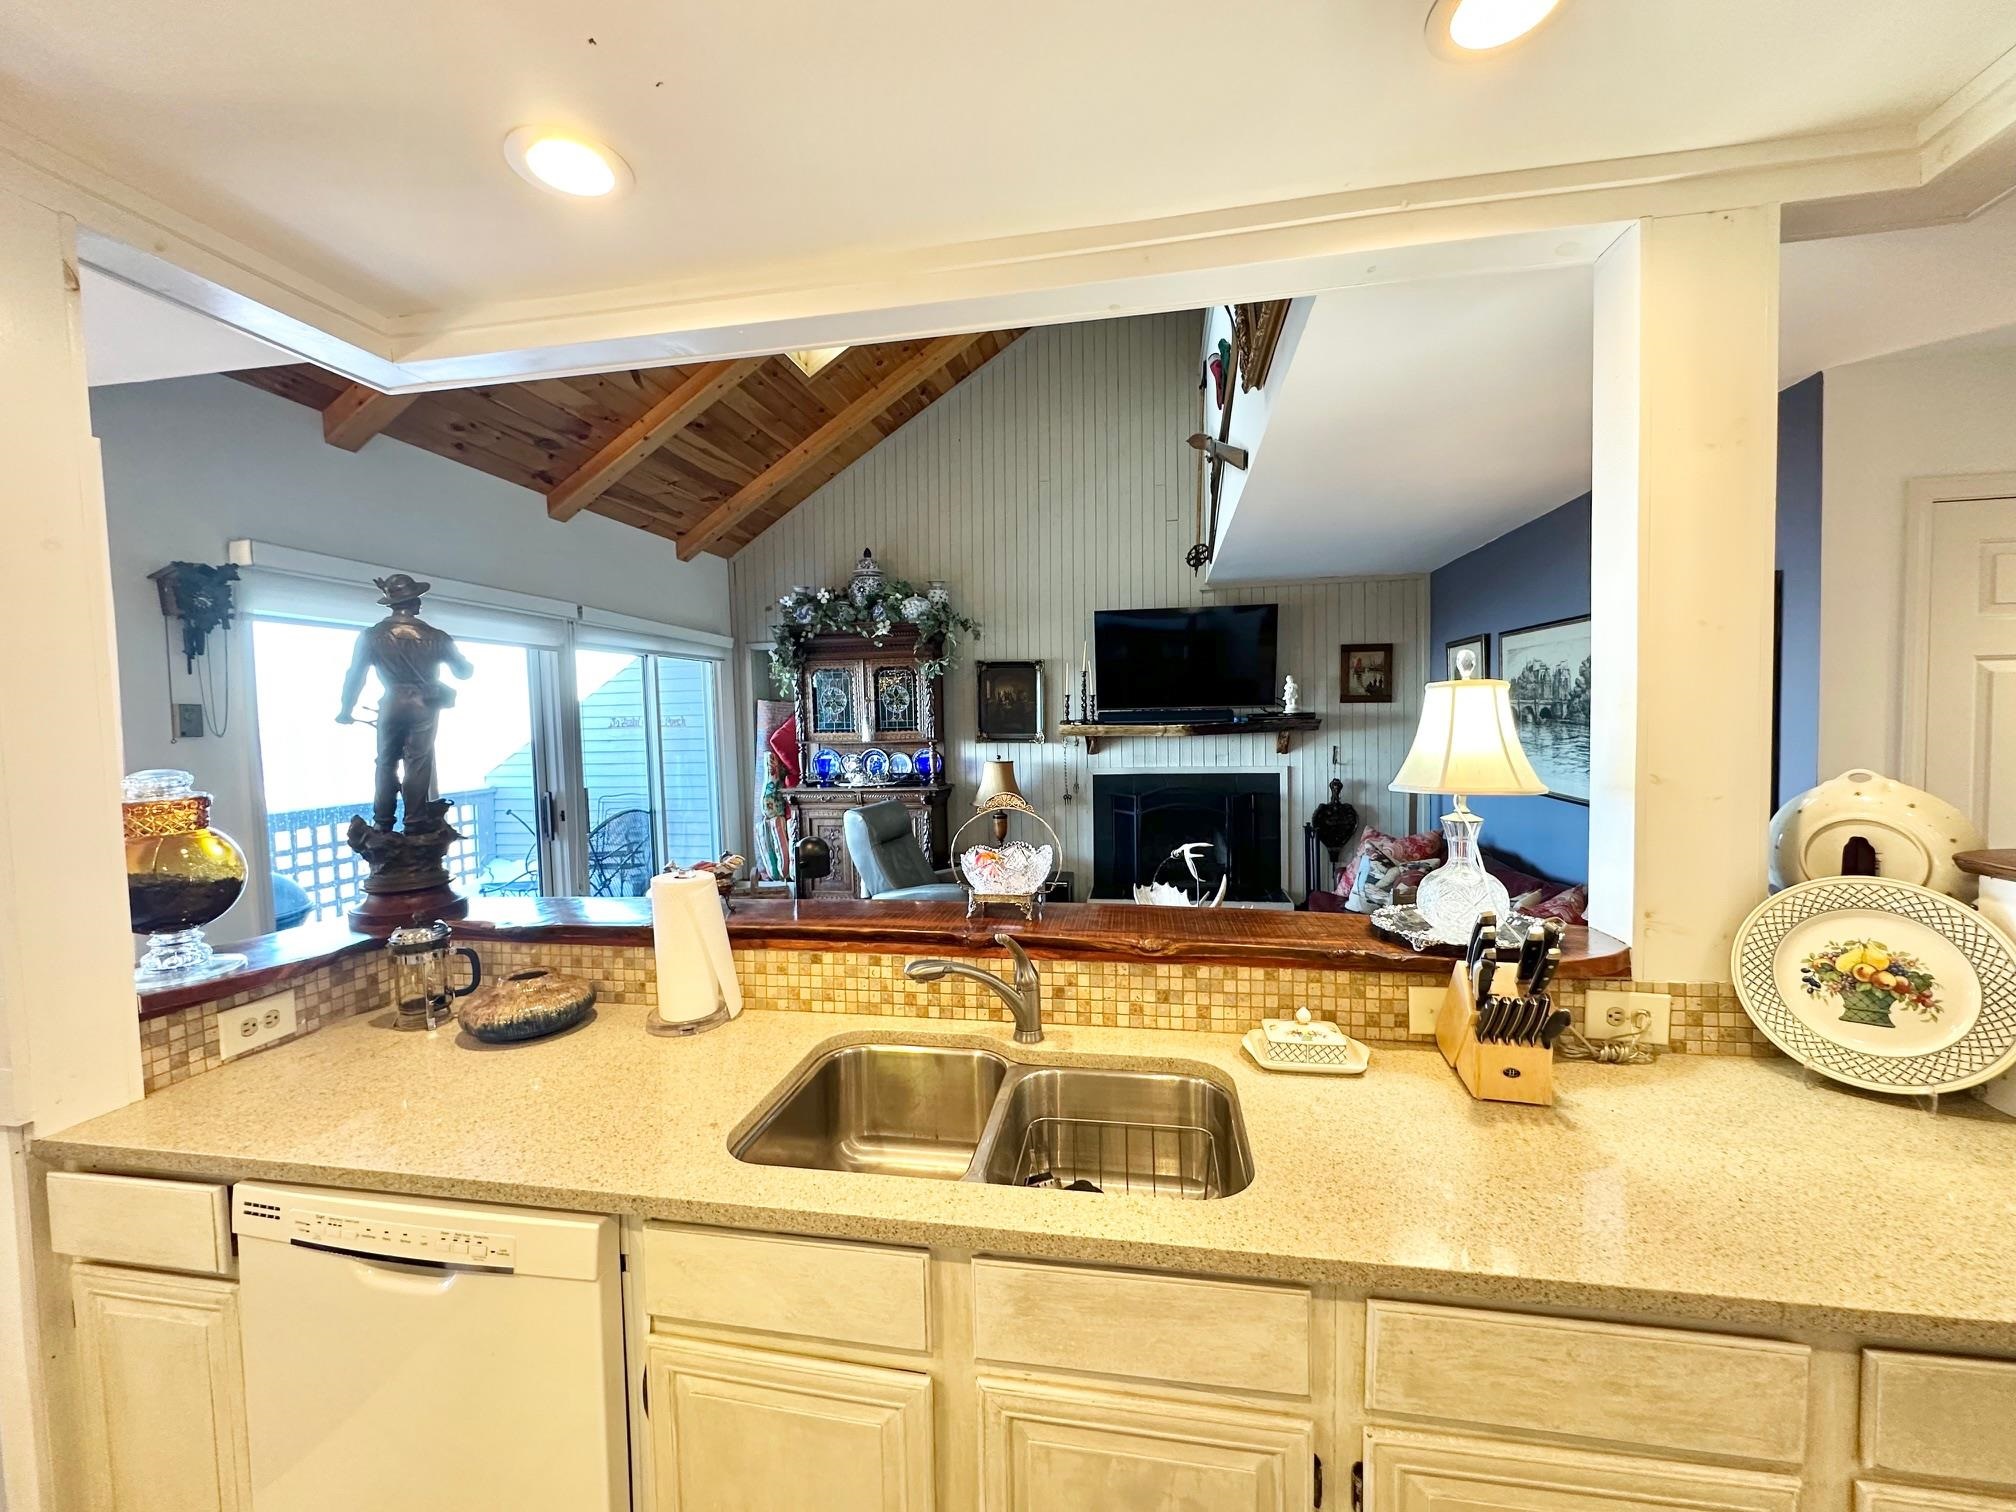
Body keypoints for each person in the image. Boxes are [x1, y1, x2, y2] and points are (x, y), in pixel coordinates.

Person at [337, 574, 473, 831]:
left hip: (392, 701)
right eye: (417, 597)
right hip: (424, 704)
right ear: (412, 602)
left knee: (385, 762)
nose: (420, 602)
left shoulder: (371, 636)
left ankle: (382, 822)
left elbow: (355, 675)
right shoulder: (437, 636)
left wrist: (346, 708)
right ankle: (415, 821)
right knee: (418, 762)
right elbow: (464, 672)